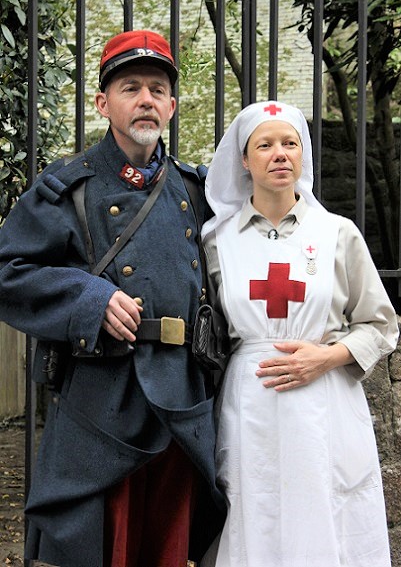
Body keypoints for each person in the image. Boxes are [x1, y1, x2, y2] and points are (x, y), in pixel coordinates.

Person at [0, 30, 224, 567]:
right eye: (130, 88)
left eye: (156, 89)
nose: (145, 99)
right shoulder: (67, 186)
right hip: (103, 397)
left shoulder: (199, 191)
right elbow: (9, 269)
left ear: (171, 105)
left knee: (167, 547)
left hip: (180, 397)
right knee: (97, 545)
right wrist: (88, 297)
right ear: (104, 103)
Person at [200, 100, 399, 567]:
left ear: (303, 154)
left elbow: (381, 323)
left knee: (326, 512)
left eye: (290, 143)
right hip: (249, 404)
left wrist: (326, 357)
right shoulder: (216, 240)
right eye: (265, 145)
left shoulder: (337, 233)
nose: (280, 154)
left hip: (324, 402)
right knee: (256, 510)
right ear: (244, 160)